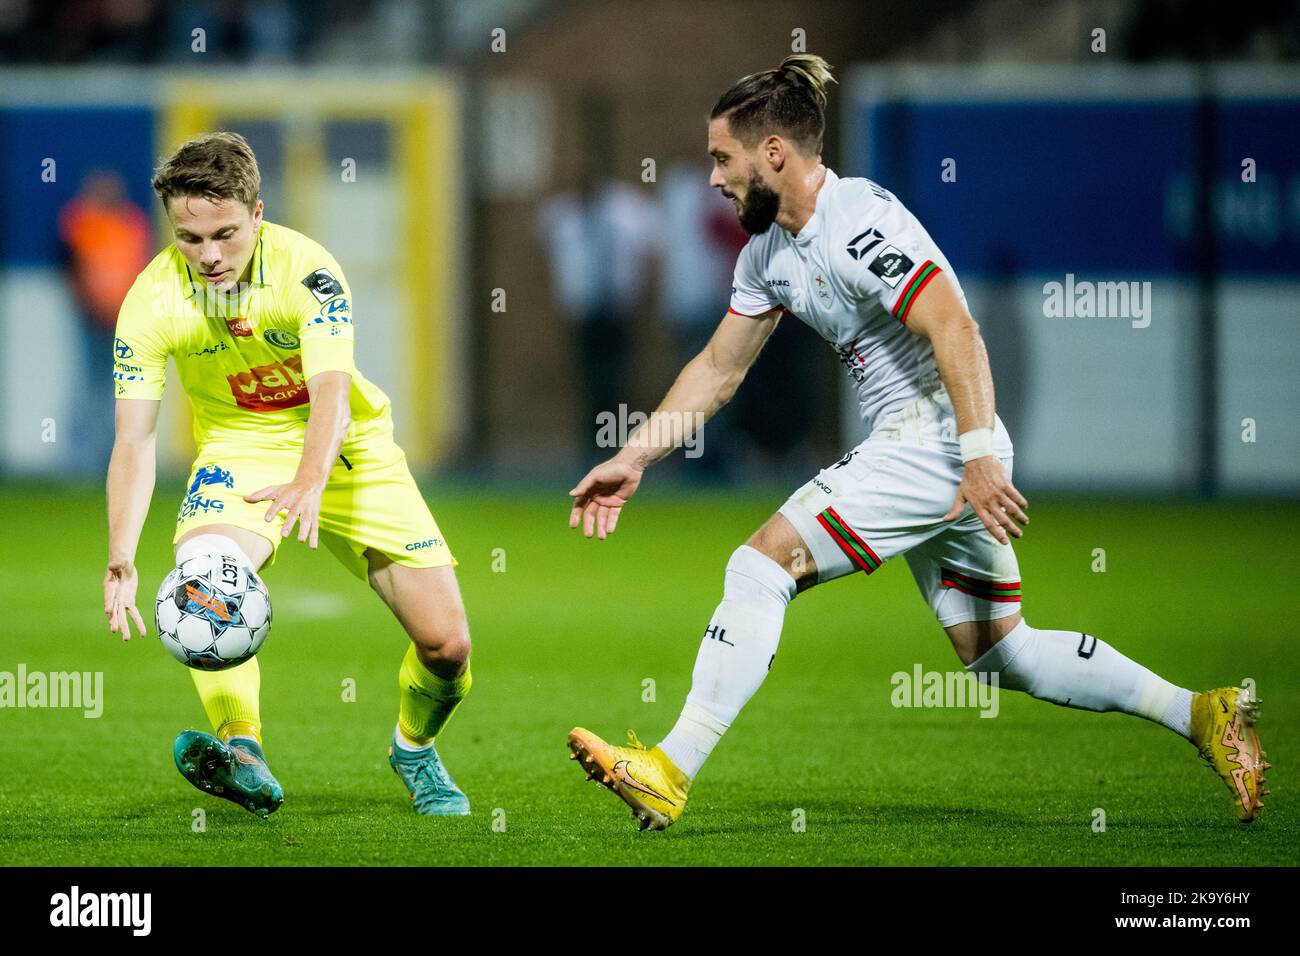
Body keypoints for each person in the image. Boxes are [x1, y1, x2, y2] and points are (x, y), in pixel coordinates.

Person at [564, 55, 1268, 830]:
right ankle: (1204, 712)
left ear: (773, 154)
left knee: (762, 563)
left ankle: (669, 767)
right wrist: (634, 455)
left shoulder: (860, 222)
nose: (712, 179)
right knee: (1002, 652)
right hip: (933, 449)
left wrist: (977, 456)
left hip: (936, 442)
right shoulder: (768, 252)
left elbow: (954, 327)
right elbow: (718, 370)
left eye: (721, 159)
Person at [102, 132, 473, 818]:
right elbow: (135, 439)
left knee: (447, 646)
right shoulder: (151, 303)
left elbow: (331, 391)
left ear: (258, 214)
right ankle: (242, 750)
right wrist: (122, 552)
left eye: (225, 234)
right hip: (241, 451)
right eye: (189, 238)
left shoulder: (310, 272)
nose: (209, 255)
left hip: (350, 449)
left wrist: (310, 477)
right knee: (206, 581)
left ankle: (414, 749)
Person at [59, 170, 151, 476]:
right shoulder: (80, 220)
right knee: (91, 386)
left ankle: (114, 458)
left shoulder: (132, 221)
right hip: (92, 317)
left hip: (124, 317)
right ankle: (81, 460)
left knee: (123, 387)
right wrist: (88, 305)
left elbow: (142, 265)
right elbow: (70, 267)